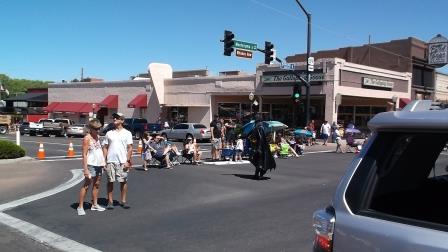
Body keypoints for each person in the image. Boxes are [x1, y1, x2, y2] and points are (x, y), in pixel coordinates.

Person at [102, 112, 133, 210]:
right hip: (110, 161)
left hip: (122, 161)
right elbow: (105, 147)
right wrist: (104, 161)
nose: (114, 119)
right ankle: (110, 201)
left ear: (122, 120)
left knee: (123, 181)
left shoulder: (127, 133)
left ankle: (123, 201)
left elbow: (130, 148)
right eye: (114, 117)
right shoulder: (109, 133)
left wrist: (128, 161)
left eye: (117, 118)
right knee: (110, 181)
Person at [77, 119, 106, 216]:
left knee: (97, 184)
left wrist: (103, 162)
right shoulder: (87, 138)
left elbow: (99, 150)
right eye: (96, 129)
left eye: (99, 128)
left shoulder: (98, 137)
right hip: (90, 165)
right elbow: (84, 154)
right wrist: (85, 169)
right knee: (86, 185)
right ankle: (80, 206)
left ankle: (94, 204)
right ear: (91, 128)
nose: (98, 131)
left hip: (99, 164)